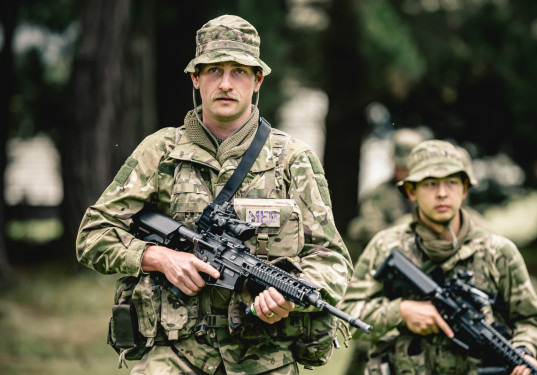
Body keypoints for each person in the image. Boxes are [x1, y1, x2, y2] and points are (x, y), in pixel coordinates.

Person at [76, 15, 352, 375]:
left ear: (257, 81)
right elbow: (91, 236)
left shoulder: (292, 159)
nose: (225, 83)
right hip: (174, 352)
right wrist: (157, 257)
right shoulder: (159, 152)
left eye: (239, 71)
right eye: (213, 71)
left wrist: (289, 296)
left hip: (264, 356)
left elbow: (332, 258)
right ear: (195, 78)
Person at [339, 140, 537, 374]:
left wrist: (524, 350)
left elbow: (529, 318)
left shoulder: (498, 251)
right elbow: (345, 318)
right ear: (411, 191)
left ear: (465, 189)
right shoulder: (386, 246)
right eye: (431, 184)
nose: (442, 193)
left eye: (452, 183)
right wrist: (400, 312)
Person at [347, 128, 427, 262]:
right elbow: (371, 229)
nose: (401, 172)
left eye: (406, 168)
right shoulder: (380, 194)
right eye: (399, 166)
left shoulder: (428, 193)